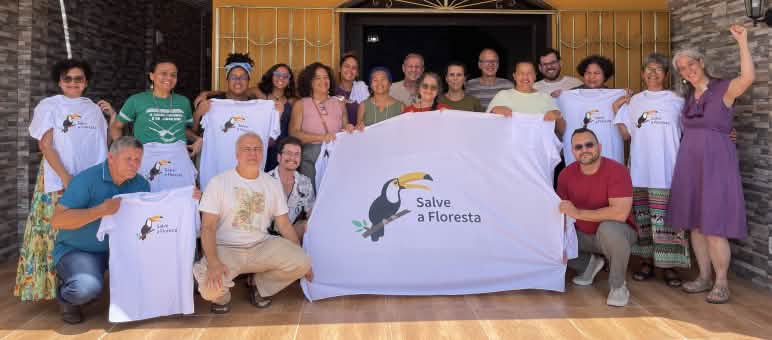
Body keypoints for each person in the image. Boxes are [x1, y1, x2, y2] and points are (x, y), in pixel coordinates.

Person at [667, 25, 754, 304]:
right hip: (690, 163)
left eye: (691, 64)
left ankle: (721, 283)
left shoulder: (723, 89)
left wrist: (742, 41)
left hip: (717, 163)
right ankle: (703, 277)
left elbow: (748, 77)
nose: (688, 70)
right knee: (696, 223)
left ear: (701, 63)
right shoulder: (686, 98)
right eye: (682, 68)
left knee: (714, 224)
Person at [15, 59, 109, 302]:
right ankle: (51, 290)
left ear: (86, 82)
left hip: (88, 183)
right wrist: (68, 178)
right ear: (59, 81)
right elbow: (44, 145)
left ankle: (75, 286)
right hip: (58, 180)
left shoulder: (94, 109)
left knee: (81, 232)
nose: (73, 83)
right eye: (67, 78)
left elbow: (101, 147)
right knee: (51, 233)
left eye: (78, 79)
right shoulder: (49, 106)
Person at [194, 133, 312, 313]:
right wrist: (213, 262)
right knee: (209, 289)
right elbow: (208, 227)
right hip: (226, 247)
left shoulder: (271, 183)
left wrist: (301, 256)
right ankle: (222, 297)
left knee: (302, 262)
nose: (253, 153)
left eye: (257, 149)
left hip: (260, 245)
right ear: (237, 154)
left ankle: (260, 286)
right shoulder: (219, 182)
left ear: (263, 153)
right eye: (247, 149)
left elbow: (284, 224)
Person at [50, 137, 150, 324]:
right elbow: (57, 221)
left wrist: (187, 198)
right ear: (111, 158)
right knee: (85, 289)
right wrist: (100, 211)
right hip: (80, 249)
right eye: (128, 159)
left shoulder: (142, 184)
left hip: (121, 250)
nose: (134, 164)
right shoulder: (85, 180)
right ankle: (67, 297)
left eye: (137, 160)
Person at [614, 53, 690, 287]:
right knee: (643, 221)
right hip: (639, 171)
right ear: (642, 73)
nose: (653, 73)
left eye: (658, 69)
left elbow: (693, 130)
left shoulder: (677, 101)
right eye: (648, 69)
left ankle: (670, 267)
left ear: (666, 75)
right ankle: (646, 262)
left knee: (669, 222)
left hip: (668, 171)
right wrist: (617, 109)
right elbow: (625, 133)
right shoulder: (634, 101)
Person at [558, 128, 636, 307]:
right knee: (548, 233)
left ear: (599, 147)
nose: (584, 149)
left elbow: (620, 213)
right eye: (578, 147)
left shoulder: (617, 171)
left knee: (609, 228)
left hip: (617, 234)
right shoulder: (565, 175)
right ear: (572, 152)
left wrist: (578, 213)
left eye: (589, 144)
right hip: (583, 237)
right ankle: (588, 266)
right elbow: (561, 213)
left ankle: (618, 286)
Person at [107, 59, 199, 192]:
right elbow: (116, 126)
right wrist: (122, 150)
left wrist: (197, 139)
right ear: (152, 76)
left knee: (181, 198)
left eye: (173, 75)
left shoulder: (183, 102)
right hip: (146, 155)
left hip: (178, 157)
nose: (169, 78)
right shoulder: (136, 100)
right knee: (147, 196)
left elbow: (184, 129)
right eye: (163, 73)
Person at [193, 53, 280, 189]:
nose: (238, 81)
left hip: (248, 176)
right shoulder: (214, 103)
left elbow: (270, 140)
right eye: (234, 77)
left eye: (243, 77)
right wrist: (199, 113)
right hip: (217, 173)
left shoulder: (260, 107)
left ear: (249, 81)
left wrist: (275, 114)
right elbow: (195, 131)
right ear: (227, 79)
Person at [289, 62, 353, 185]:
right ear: (309, 82)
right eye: (317, 78)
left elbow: (345, 127)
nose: (323, 81)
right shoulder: (301, 104)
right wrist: (321, 138)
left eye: (326, 77)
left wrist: (349, 128)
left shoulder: (339, 104)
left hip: (336, 156)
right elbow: (294, 133)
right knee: (312, 197)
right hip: (310, 158)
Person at [486, 60, 565, 135]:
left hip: (537, 148)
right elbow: (485, 125)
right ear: (514, 76)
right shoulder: (502, 95)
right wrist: (493, 111)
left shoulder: (546, 97)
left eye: (529, 73)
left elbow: (562, 131)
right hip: (509, 147)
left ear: (535, 76)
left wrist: (558, 117)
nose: (525, 77)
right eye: (521, 73)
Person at [267, 136, 315, 240]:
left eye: (297, 154)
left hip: (290, 235)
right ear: (279, 157)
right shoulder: (265, 180)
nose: (293, 158)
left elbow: (311, 213)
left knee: (307, 225)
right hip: (265, 235)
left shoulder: (305, 182)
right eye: (288, 153)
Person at [259, 64, 297, 171]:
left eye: (285, 76)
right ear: (271, 76)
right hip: (264, 143)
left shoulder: (292, 101)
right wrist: (210, 93)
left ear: (289, 80)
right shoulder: (259, 94)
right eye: (277, 74)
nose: (281, 78)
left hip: (283, 147)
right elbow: (236, 95)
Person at [335, 53, 369, 126]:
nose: (350, 70)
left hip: (361, 133)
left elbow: (369, 111)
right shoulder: (332, 92)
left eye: (354, 68)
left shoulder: (361, 87)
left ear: (357, 73)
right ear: (339, 69)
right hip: (340, 135)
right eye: (347, 66)